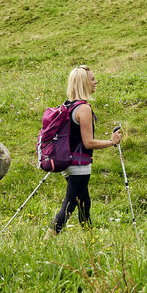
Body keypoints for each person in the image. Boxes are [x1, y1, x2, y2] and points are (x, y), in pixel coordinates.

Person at [47, 65, 121, 238]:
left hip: (67, 163)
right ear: (84, 83)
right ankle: (47, 240)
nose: (95, 82)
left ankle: (90, 238)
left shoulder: (68, 106)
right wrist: (112, 142)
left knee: (83, 202)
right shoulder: (84, 109)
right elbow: (88, 143)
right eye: (92, 79)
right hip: (79, 165)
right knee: (70, 203)